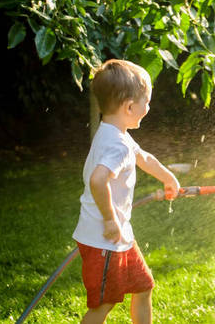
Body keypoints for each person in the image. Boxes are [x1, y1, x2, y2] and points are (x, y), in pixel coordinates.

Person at [73, 59, 181, 323]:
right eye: (146, 101)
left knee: (143, 287)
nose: (149, 106)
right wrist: (110, 220)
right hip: (105, 240)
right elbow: (98, 180)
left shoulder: (113, 132)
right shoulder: (116, 145)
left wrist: (168, 178)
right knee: (103, 304)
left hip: (120, 237)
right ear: (130, 107)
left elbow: (143, 157)